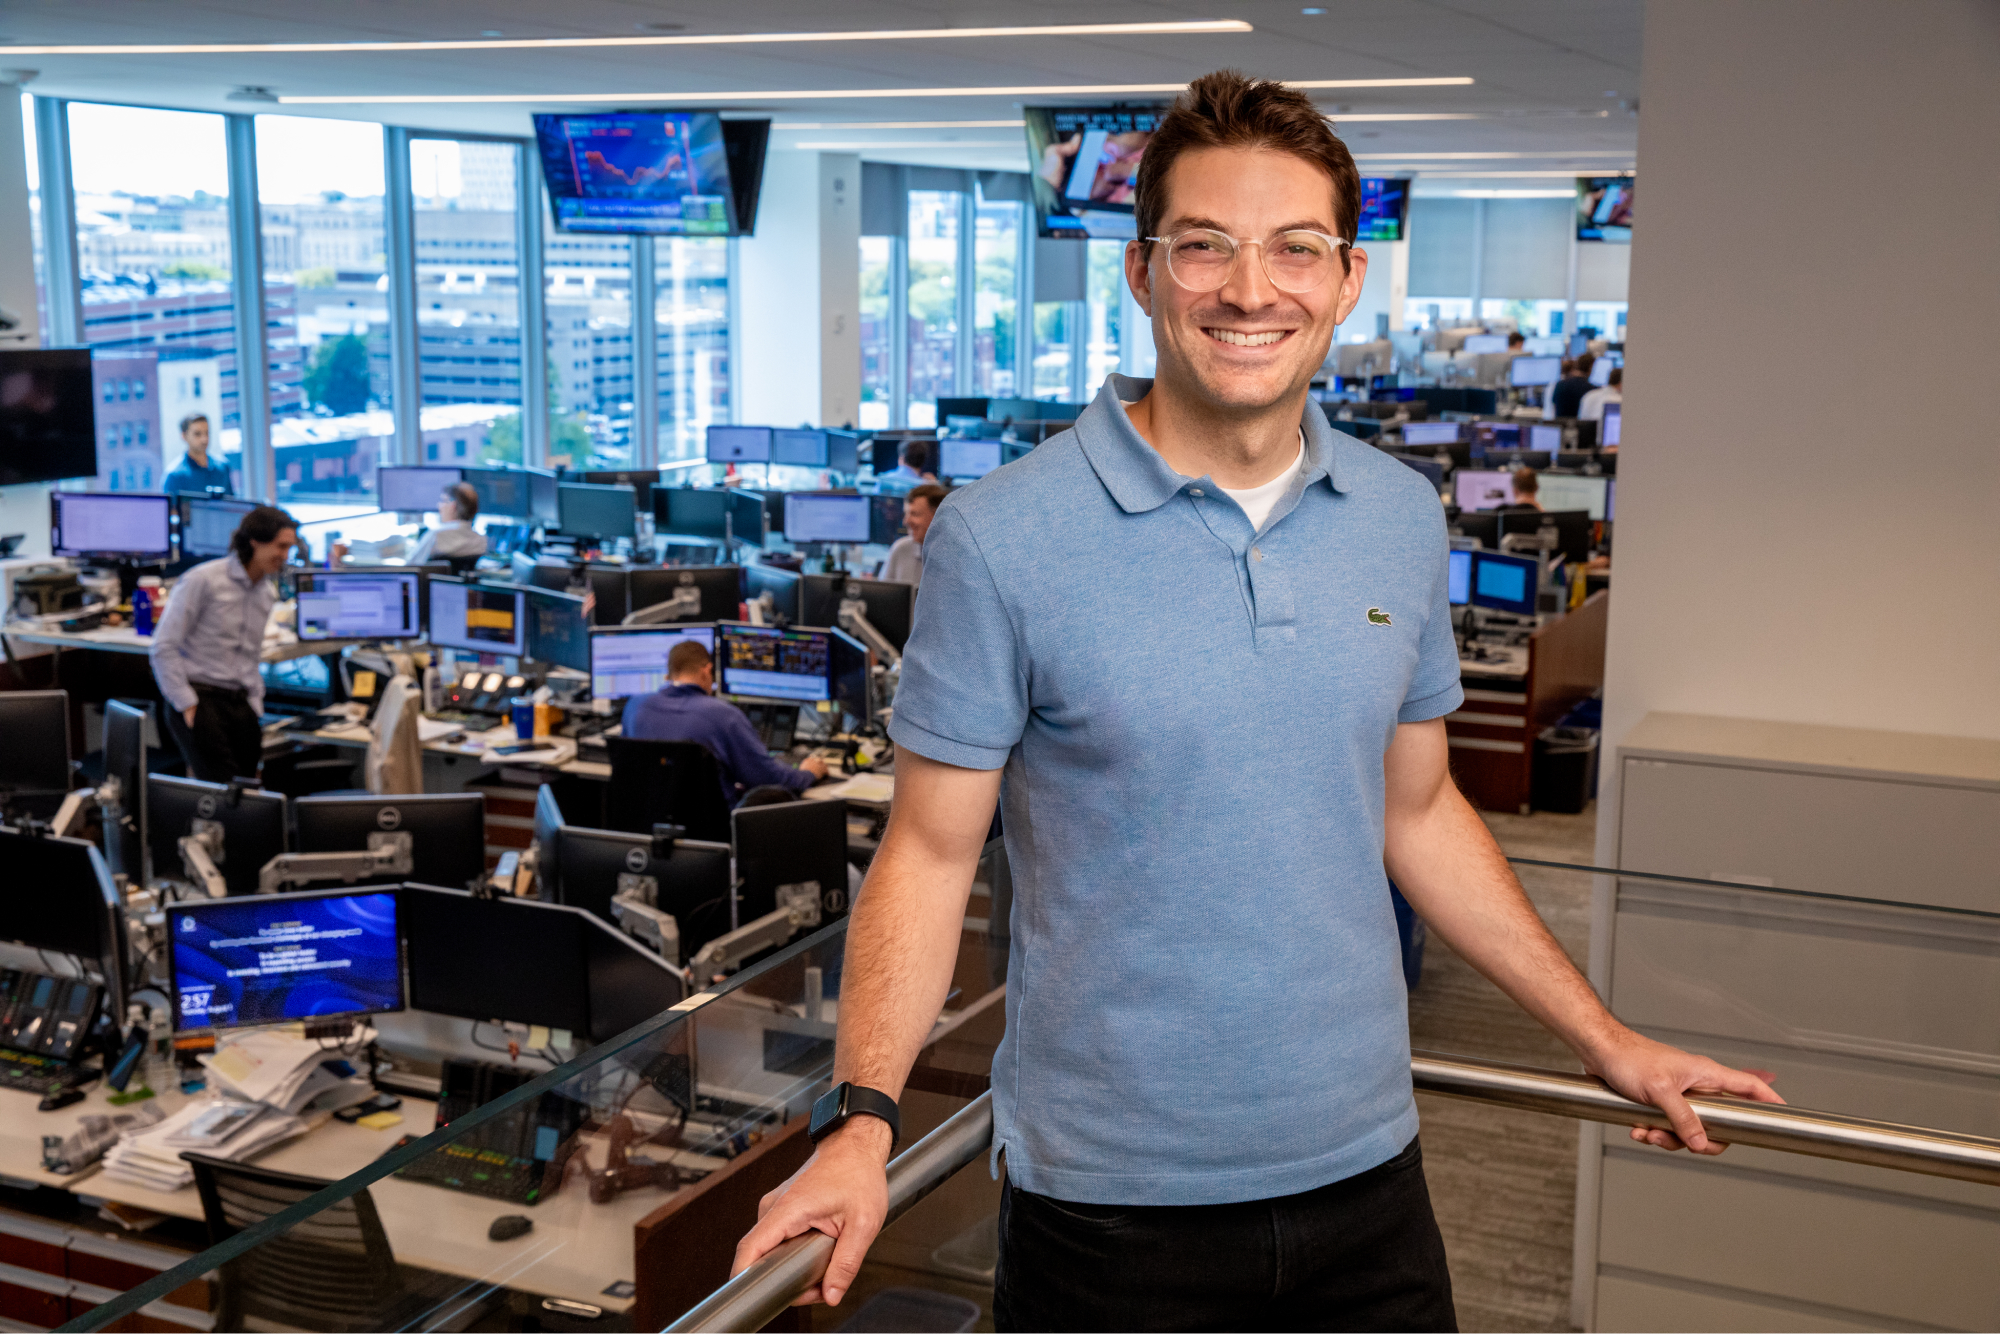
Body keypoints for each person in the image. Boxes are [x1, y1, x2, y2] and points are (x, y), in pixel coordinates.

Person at [731, 70, 1780, 1332]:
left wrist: (1602, 1035)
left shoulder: (1396, 513)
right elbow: (929, 849)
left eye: (1294, 248)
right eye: (1203, 247)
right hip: (1108, 1211)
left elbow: (1420, 809)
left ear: (1343, 279)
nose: (1248, 287)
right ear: (1140, 270)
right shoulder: (1000, 538)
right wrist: (860, 1124)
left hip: (1367, 1172)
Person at [151, 505, 297, 783]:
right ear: (255, 541)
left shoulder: (265, 592)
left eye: (289, 548)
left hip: (240, 701)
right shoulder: (203, 580)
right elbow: (163, 646)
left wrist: (255, 705)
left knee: (249, 792)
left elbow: (250, 657)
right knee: (222, 794)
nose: (284, 556)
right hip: (201, 698)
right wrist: (186, 704)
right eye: (281, 546)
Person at [621, 640, 828, 802]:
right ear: (707, 671)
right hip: (713, 835)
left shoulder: (634, 707)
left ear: (669, 674)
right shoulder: (723, 716)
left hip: (647, 832)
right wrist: (807, 773)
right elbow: (769, 780)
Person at [878, 483, 945, 587]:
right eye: (906, 514)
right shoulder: (901, 549)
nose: (906, 521)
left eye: (914, 514)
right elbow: (881, 597)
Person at [408, 482, 488, 565]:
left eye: (443, 501)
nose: (439, 506)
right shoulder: (481, 540)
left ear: (453, 506)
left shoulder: (436, 536)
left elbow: (411, 567)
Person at [160, 413, 232, 497]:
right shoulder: (174, 476)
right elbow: (171, 509)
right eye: (197, 434)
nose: (204, 439)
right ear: (184, 436)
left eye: (207, 433)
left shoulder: (223, 467)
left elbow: (231, 505)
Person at [1550, 352, 1596, 419]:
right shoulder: (1591, 390)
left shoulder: (1559, 385)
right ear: (1590, 367)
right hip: (1580, 428)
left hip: (1560, 427)